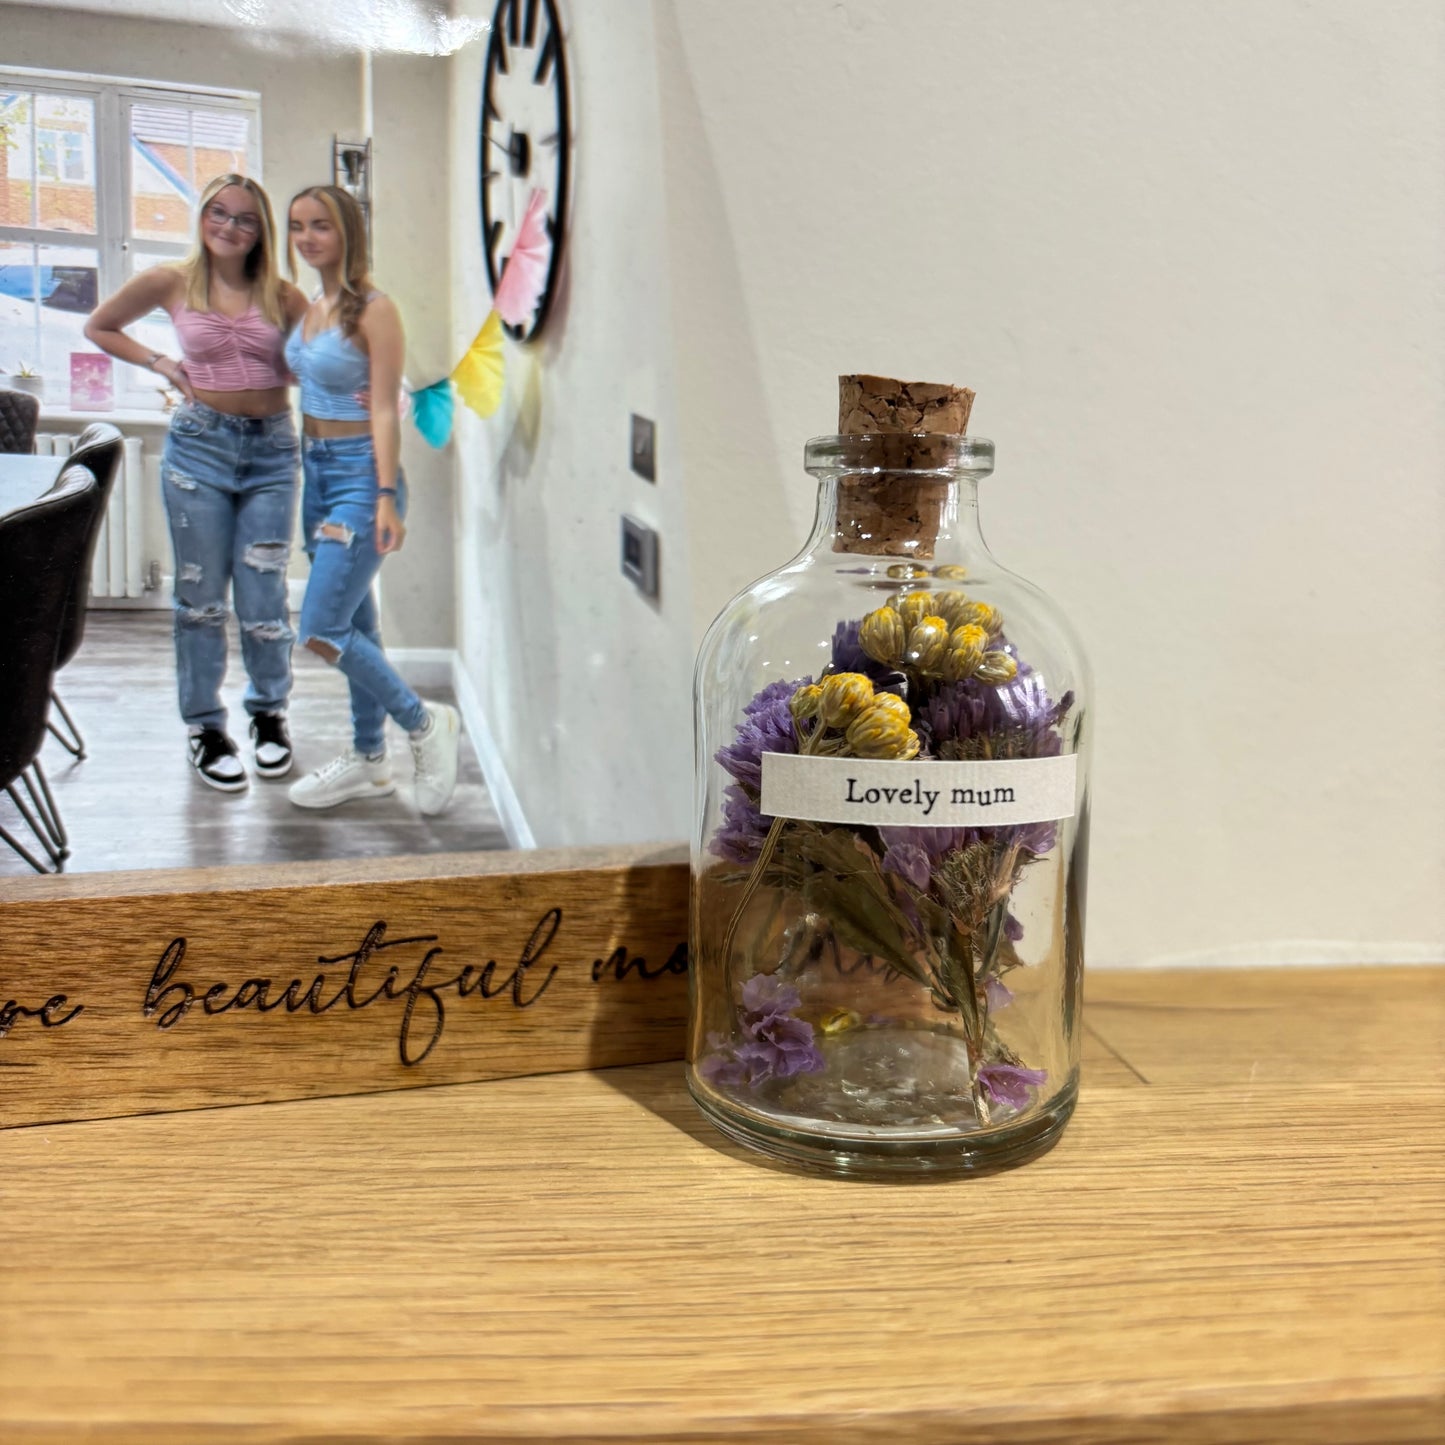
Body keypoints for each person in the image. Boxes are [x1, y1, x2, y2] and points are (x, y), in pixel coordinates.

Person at [85, 173, 307, 791]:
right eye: (218, 212)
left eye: (244, 218)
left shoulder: (284, 295)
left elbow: (327, 357)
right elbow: (99, 326)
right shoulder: (170, 281)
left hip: (271, 453)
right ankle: (205, 728)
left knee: (263, 599)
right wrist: (159, 362)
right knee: (200, 599)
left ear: (260, 229)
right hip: (199, 449)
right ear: (202, 217)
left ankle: (269, 715)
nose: (229, 227)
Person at [283, 184, 460, 814]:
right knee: (356, 622)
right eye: (298, 226)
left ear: (348, 233)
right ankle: (368, 760)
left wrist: (386, 494)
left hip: (362, 476)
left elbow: (384, 408)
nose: (307, 239)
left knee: (321, 628)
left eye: (321, 226)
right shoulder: (309, 306)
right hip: (318, 473)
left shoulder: (374, 310)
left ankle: (422, 722)